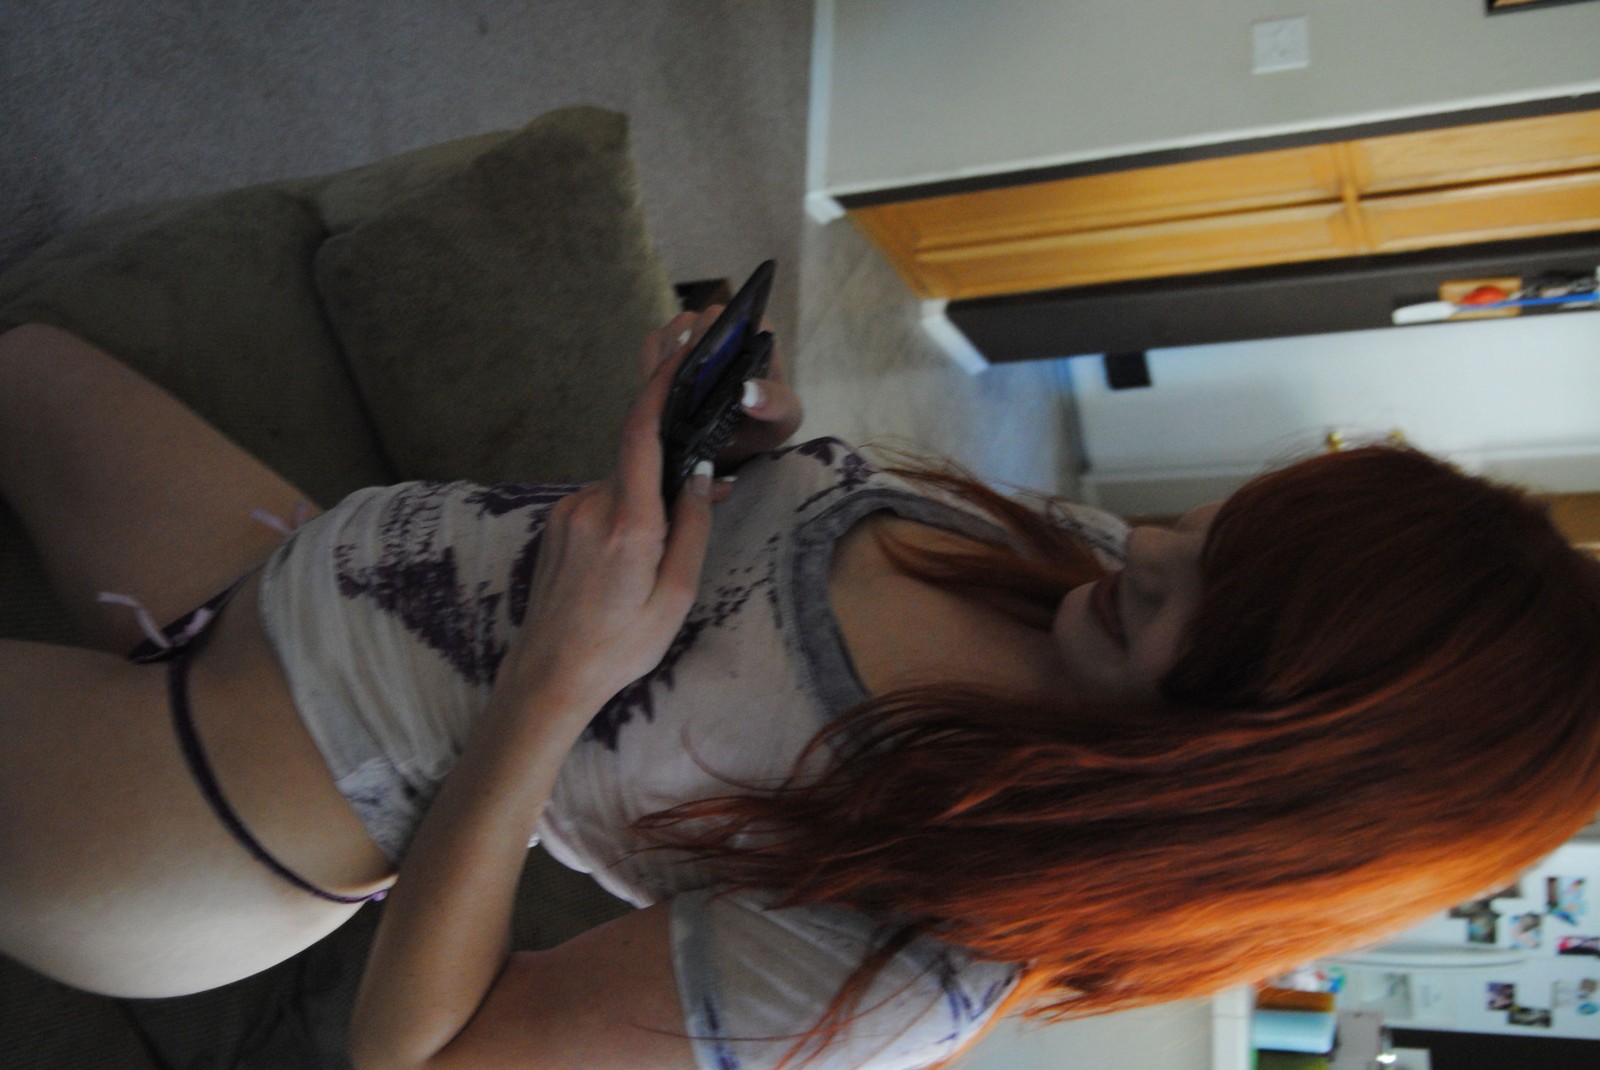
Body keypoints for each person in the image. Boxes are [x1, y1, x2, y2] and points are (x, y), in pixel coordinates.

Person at [1, 314, 1598, 1070]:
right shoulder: (1104, 588)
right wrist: (753, 445)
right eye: (1215, 529)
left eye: (1200, 595)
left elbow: (421, 1055)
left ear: (1249, 766)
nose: (1153, 544)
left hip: (218, 801)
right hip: (297, 555)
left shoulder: (909, 965)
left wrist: (556, 680)